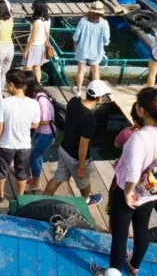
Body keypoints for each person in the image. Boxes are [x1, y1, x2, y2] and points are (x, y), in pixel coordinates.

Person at [92, 88, 157, 276]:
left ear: (141, 111)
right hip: (151, 192)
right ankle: (134, 266)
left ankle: (113, 271)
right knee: (142, 229)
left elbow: (133, 170)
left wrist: (128, 193)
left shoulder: (138, 137)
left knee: (120, 237)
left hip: (127, 193)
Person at [43, 79, 109, 207]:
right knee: (84, 182)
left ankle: (44, 198)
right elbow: (83, 146)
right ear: (99, 98)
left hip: (63, 149)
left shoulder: (73, 101)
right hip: (75, 157)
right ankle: (87, 200)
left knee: (57, 177)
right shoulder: (90, 118)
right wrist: (82, 167)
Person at [0, 70, 41, 200]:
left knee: (1, 171)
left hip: (6, 144)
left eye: (7, 84)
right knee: (22, 173)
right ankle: (21, 196)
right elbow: (35, 125)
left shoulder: (4, 103)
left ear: (12, 85)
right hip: (24, 144)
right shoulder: (34, 103)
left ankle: (0, 194)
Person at [72, 1, 110, 95]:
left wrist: (75, 42)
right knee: (95, 71)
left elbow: (76, 35)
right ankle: (96, 91)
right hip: (96, 51)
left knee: (81, 71)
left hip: (82, 49)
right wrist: (105, 43)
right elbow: (106, 39)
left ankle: (79, 91)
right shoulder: (104, 23)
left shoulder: (83, 20)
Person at [26, 73, 55, 191]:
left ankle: (36, 183)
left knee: (33, 157)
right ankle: (35, 178)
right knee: (37, 156)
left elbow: (47, 120)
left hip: (47, 134)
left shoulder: (41, 99)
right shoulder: (35, 96)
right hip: (39, 131)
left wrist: (28, 122)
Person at [22, 0, 51, 84]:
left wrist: (26, 51)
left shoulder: (37, 22)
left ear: (37, 9)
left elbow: (32, 39)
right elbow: (48, 34)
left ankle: (26, 86)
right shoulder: (48, 19)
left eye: (33, 8)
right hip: (41, 46)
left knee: (27, 69)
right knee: (38, 68)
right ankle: (37, 85)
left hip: (33, 48)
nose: (32, 9)